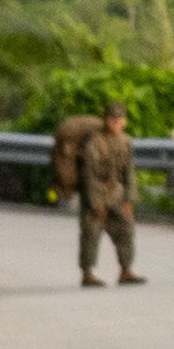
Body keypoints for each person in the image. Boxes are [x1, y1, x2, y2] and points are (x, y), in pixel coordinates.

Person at [52, 101, 141, 289]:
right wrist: (95, 203)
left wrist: (129, 200)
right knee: (91, 234)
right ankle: (87, 274)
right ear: (106, 120)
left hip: (116, 194)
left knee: (125, 229)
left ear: (124, 122)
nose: (116, 123)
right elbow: (89, 174)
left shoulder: (125, 141)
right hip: (95, 195)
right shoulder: (95, 142)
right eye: (112, 119)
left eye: (119, 120)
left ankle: (126, 270)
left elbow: (129, 172)